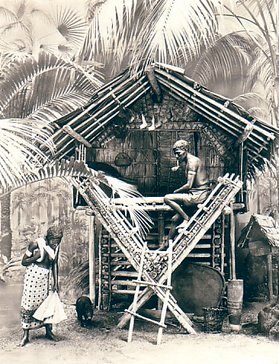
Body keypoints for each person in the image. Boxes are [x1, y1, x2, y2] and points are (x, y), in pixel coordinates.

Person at [19, 225, 63, 347]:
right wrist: (35, 257)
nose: (56, 243)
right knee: (29, 305)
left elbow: (54, 264)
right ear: (48, 238)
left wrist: (55, 282)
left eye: (59, 241)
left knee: (47, 305)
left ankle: (48, 332)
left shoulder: (56, 247)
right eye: (54, 240)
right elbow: (23, 262)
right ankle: (25, 336)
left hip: (46, 280)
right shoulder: (36, 244)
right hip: (32, 279)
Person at [164, 139, 209, 244]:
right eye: (175, 154)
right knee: (175, 219)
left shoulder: (193, 162)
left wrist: (176, 191)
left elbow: (188, 185)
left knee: (167, 198)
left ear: (185, 150)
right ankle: (166, 245)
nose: (176, 156)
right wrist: (178, 167)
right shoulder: (188, 160)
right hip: (195, 194)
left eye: (178, 153)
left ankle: (186, 218)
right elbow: (184, 166)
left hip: (197, 196)